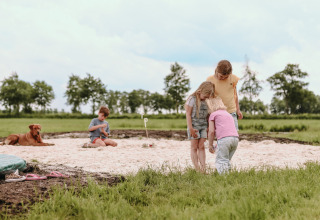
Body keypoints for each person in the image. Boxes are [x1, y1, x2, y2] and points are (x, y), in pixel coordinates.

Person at [185, 81, 215, 172]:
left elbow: (209, 115)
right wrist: (190, 129)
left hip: (204, 127)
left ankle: (203, 168)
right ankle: (197, 169)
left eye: (208, 96)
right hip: (194, 126)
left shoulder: (207, 101)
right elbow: (188, 114)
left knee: (201, 147)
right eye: (206, 95)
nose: (207, 97)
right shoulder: (192, 99)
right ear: (200, 91)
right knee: (194, 147)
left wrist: (209, 126)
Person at [206, 60, 243, 130]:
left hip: (231, 111)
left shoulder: (233, 78)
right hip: (217, 112)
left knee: (234, 132)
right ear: (217, 70)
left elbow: (235, 94)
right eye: (221, 76)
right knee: (220, 133)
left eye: (226, 77)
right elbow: (209, 98)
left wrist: (238, 109)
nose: (223, 78)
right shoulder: (210, 80)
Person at [207, 97, 239, 174]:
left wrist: (210, 145)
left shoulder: (213, 114)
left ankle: (224, 179)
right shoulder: (228, 114)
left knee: (221, 160)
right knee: (226, 160)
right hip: (235, 139)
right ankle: (228, 175)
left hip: (224, 139)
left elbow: (211, 132)